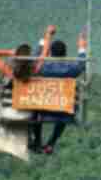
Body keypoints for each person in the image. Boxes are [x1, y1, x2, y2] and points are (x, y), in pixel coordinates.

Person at [29, 24, 87, 155]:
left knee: (35, 107)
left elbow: (37, 54)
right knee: (66, 107)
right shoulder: (71, 69)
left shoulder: (41, 67)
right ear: (65, 53)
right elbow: (82, 63)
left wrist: (47, 35)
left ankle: (37, 140)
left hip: (42, 111)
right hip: (63, 113)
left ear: (50, 52)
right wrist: (82, 45)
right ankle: (51, 143)